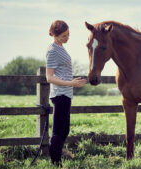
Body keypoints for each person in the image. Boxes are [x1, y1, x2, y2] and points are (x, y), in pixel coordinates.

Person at [45, 20, 87, 166]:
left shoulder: (60, 47)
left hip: (66, 94)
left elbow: (61, 72)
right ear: (55, 35)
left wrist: (72, 80)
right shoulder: (52, 50)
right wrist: (71, 83)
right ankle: (55, 162)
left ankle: (58, 158)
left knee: (64, 130)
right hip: (60, 94)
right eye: (64, 35)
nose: (67, 37)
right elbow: (49, 77)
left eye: (68, 34)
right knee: (58, 131)